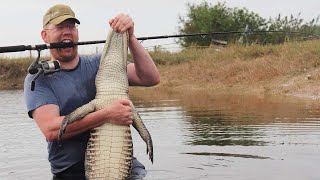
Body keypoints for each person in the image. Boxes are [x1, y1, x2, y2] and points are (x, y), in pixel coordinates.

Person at [24, 4, 160, 180]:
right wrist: (106, 114)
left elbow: (150, 78)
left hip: (120, 162)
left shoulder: (101, 64)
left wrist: (130, 37)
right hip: (71, 170)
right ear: (45, 35)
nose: (67, 31)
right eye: (60, 27)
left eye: (71, 26)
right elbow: (51, 130)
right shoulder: (38, 79)